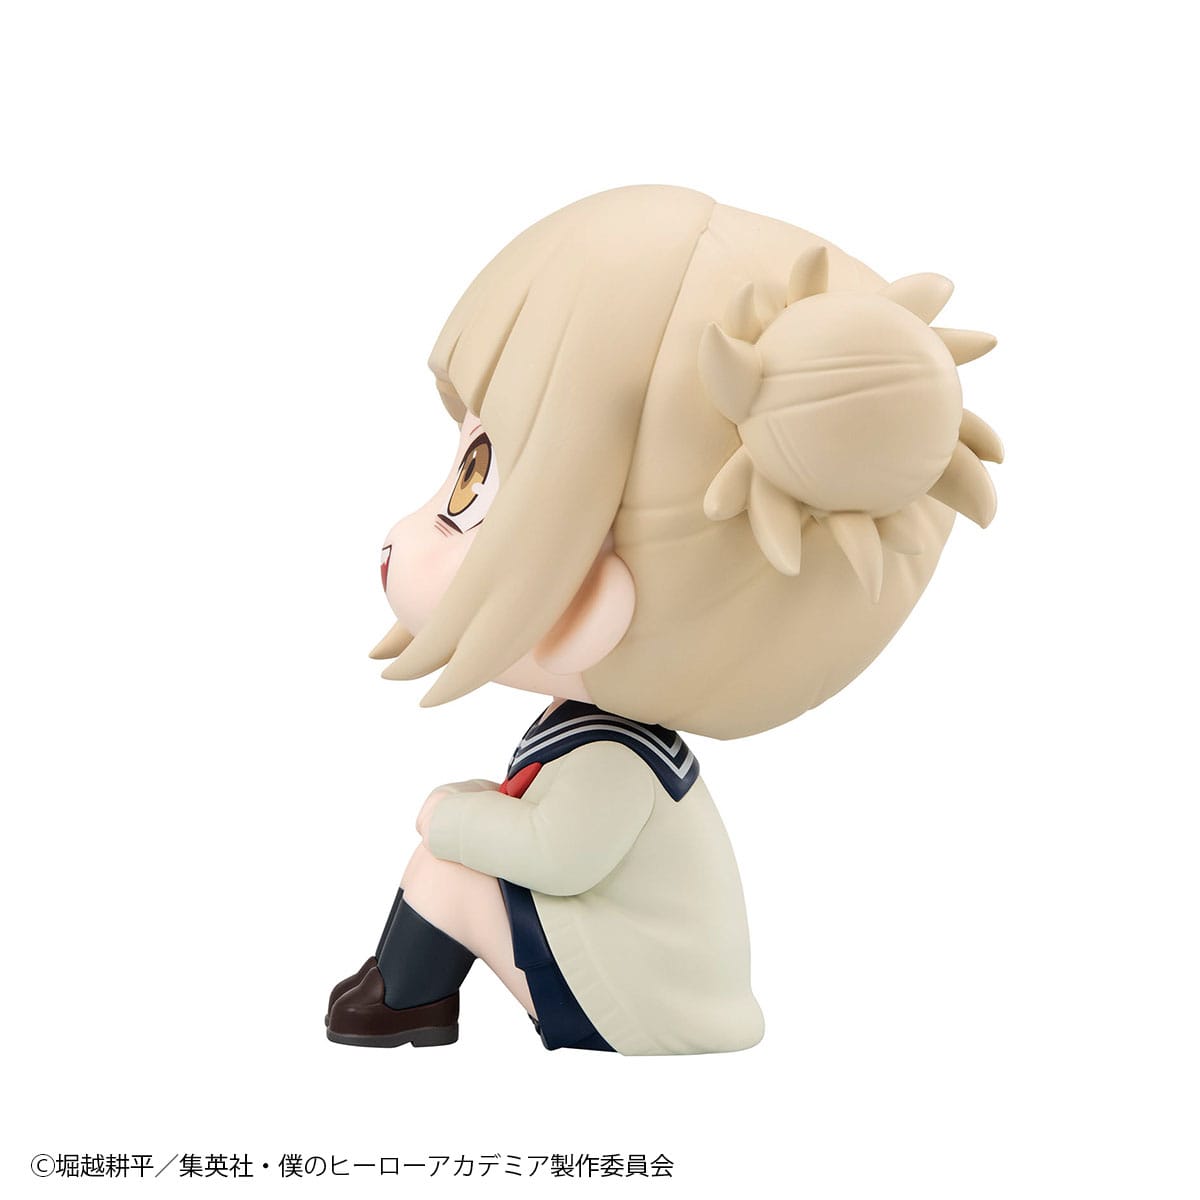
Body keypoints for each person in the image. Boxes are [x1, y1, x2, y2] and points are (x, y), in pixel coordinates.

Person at [324, 185, 1002, 1056]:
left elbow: (559, 855)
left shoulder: (613, 758)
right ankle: (401, 992)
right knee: (452, 861)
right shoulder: (605, 737)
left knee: (446, 871)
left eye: (475, 486)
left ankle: (403, 999)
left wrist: (449, 816)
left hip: (641, 999)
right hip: (637, 970)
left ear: (596, 599)